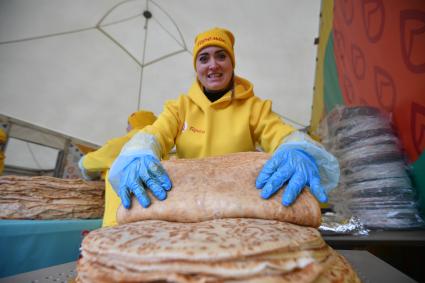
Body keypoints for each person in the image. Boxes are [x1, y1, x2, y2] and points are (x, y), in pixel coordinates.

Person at [109, 27, 339, 210]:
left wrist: (297, 149)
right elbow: (155, 136)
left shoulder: (253, 108)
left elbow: (279, 133)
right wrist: (139, 154)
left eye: (221, 56)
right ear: (196, 67)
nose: (213, 65)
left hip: (239, 206)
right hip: (188, 205)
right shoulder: (179, 108)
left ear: (232, 64)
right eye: (204, 58)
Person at [78, 110, 156, 227]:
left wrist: (88, 167)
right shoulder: (162, 145)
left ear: (132, 124)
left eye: (128, 124)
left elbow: (86, 164)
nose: (126, 128)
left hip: (118, 220)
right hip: (154, 219)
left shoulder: (120, 144)